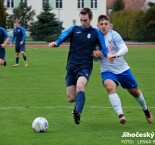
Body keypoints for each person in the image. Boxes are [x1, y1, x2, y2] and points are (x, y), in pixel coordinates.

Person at [49, 8, 113, 125]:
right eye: (81, 20)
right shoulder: (74, 29)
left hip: (85, 66)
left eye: (85, 20)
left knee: (80, 85)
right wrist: (56, 43)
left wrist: (107, 54)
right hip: (72, 66)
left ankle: (77, 112)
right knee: (71, 98)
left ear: (91, 19)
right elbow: (64, 35)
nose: (83, 22)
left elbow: (103, 47)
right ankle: (76, 106)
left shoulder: (95, 32)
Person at [93, 15, 153, 124]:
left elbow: (125, 48)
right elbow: (96, 59)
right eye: (101, 24)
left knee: (135, 92)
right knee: (109, 87)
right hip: (107, 70)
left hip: (123, 69)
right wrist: (94, 55)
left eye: (106, 24)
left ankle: (146, 110)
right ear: (97, 25)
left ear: (110, 25)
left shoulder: (114, 35)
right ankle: (121, 115)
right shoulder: (95, 38)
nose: (103, 26)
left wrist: (115, 55)